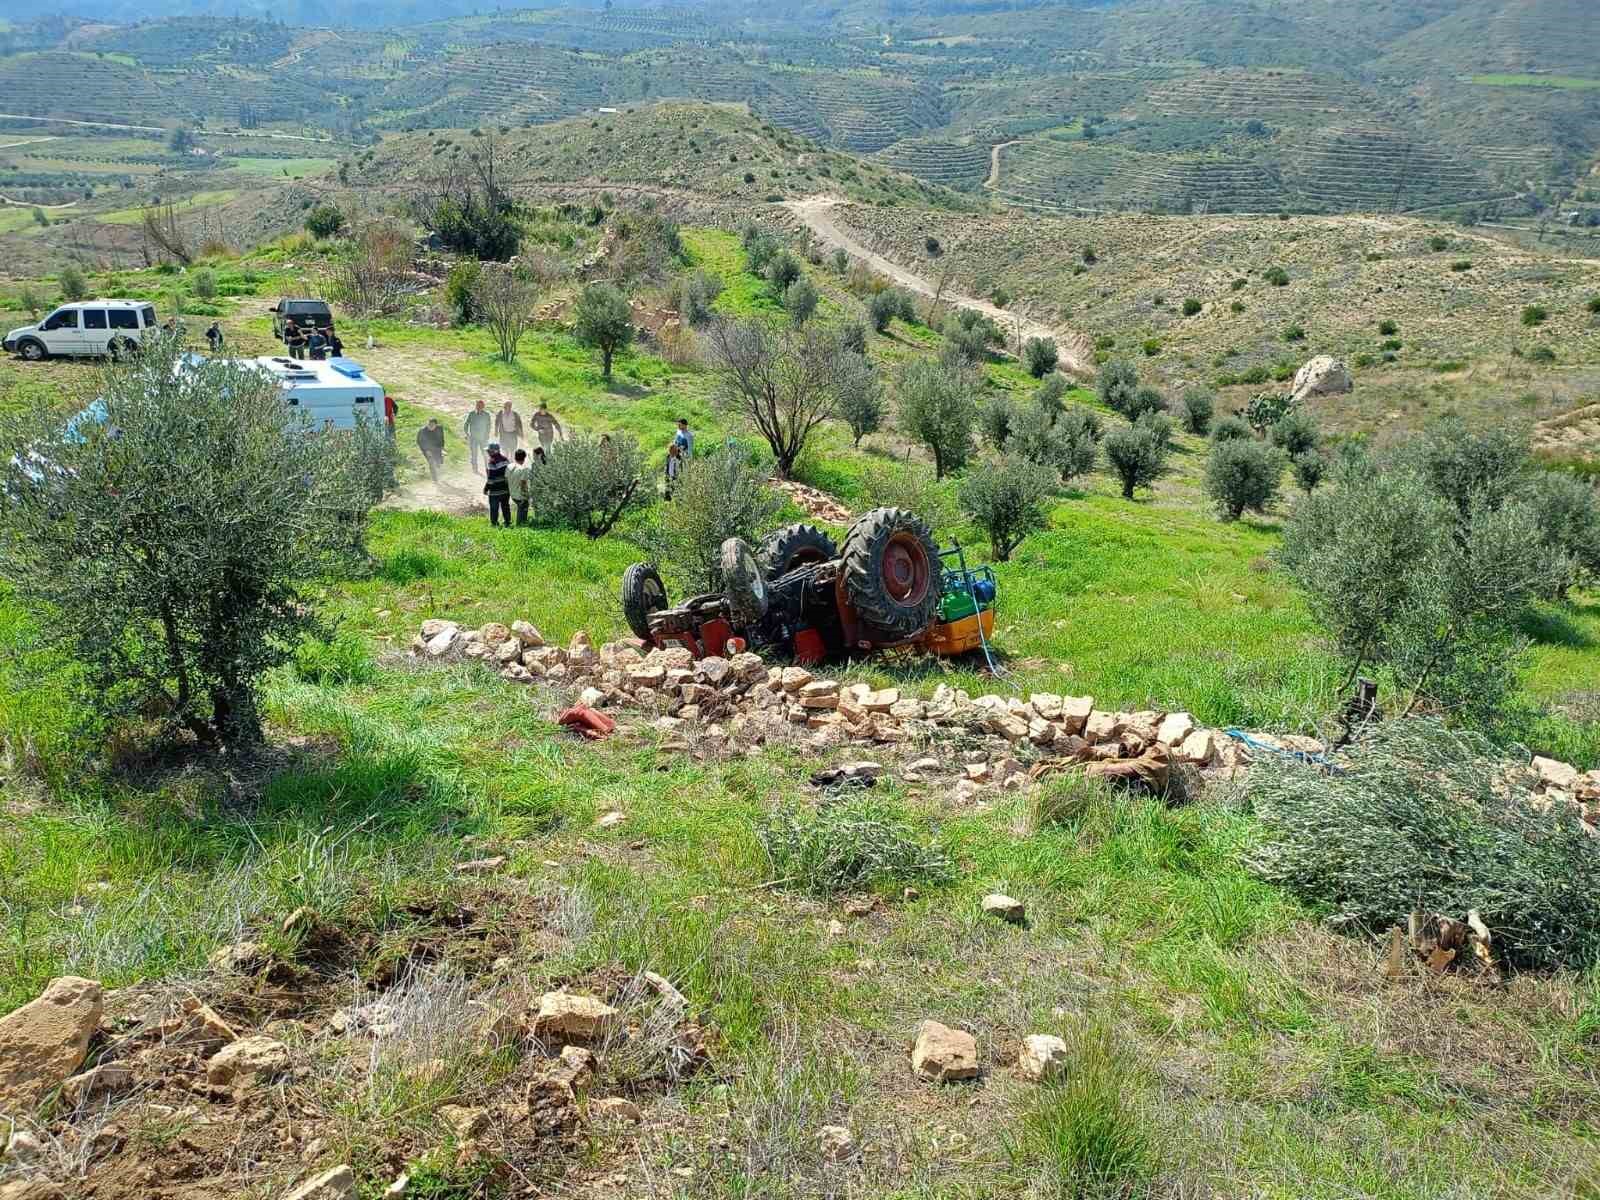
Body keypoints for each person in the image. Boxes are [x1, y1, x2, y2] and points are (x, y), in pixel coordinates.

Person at [483, 442, 511, 527]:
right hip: (505, 489)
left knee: (494, 507)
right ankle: (507, 522)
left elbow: (491, 479)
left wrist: (486, 488)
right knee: (505, 506)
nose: (488, 452)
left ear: (494, 451)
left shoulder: (492, 462)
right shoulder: (506, 459)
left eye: (489, 451)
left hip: (495, 491)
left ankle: (494, 523)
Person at [463, 400, 491, 475]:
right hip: (473, 438)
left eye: (481, 406)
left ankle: (487, 469)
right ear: (475, 406)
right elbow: (465, 424)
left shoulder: (487, 415)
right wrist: (467, 434)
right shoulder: (471, 414)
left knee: (485, 454)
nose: (479, 407)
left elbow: (489, 426)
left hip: (483, 438)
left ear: (483, 407)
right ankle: (475, 470)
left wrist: (487, 435)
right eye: (478, 406)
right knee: (474, 454)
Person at [508, 448, 533, 526]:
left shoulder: (509, 466)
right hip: (520, 494)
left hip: (512, 493)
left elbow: (506, 479)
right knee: (523, 506)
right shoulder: (524, 469)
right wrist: (526, 495)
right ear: (524, 458)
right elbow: (523, 484)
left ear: (515, 457)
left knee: (520, 507)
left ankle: (520, 524)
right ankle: (520, 524)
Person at [416, 417, 444, 483]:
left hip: (437, 447)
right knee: (431, 462)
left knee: (438, 461)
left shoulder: (439, 428)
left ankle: (439, 469)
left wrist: (442, 447)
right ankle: (435, 479)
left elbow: (442, 438)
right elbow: (419, 442)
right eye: (429, 425)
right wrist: (426, 450)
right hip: (426, 448)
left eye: (432, 425)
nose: (430, 427)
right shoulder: (422, 431)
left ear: (436, 425)